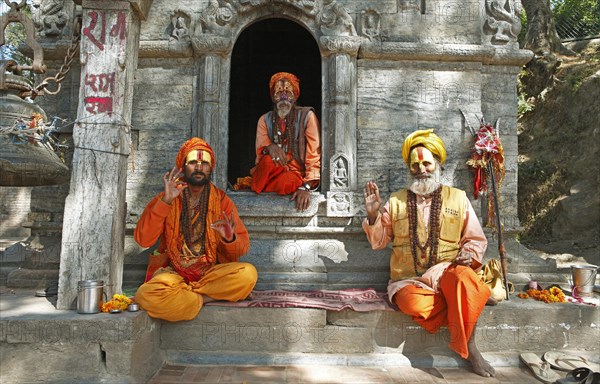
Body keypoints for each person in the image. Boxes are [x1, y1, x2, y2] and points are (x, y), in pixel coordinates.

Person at [362, 129, 496, 377]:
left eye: (426, 163)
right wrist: (372, 215)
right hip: (409, 280)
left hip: (447, 270)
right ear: (408, 168)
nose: (421, 169)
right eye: (415, 165)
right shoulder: (395, 201)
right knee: (410, 302)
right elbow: (379, 242)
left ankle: (471, 347)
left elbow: (476, 239)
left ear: (437, 164)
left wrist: (469, 254)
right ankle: (469, 302)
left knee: (464, 279)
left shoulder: (458, 198)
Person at [134, 137, 257, 322]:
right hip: (174, 274)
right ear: (183, 167)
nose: (199, 168)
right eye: (193, 162)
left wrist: (229, 239)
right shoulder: (166, 197)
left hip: (209, 274)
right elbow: (143, 240)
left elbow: (243, 247)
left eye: (204, 163)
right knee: (145, 295)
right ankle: (207, 298)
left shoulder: (222, 201)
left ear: (211, 168)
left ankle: (191, 298)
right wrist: (166, 202)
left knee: (248, 274)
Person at [250, 72, 321, 212]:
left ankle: (263, 188)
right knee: (267, 161)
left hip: (295, 174)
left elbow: (314, 153)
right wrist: (269, 147)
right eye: (279, 92)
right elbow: (260, 155)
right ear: (273, 97)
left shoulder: (307, 117)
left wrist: (307, 186)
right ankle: (261, 186)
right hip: (273, 169)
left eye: (288, 92)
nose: (283, 97)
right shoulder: (264, 120)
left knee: (286, 182)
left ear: (295, 96)